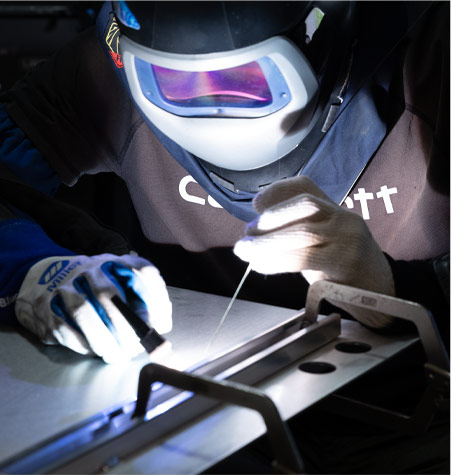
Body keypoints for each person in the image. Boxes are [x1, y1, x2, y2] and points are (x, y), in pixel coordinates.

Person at [0, 1, 448, 472]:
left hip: (417, 425)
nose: (212, 100)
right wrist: (35, 266)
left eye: (248, 82)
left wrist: (388, 288)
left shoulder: (432, 57)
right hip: (209, 421)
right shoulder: (110, 74)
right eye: (177, 82)